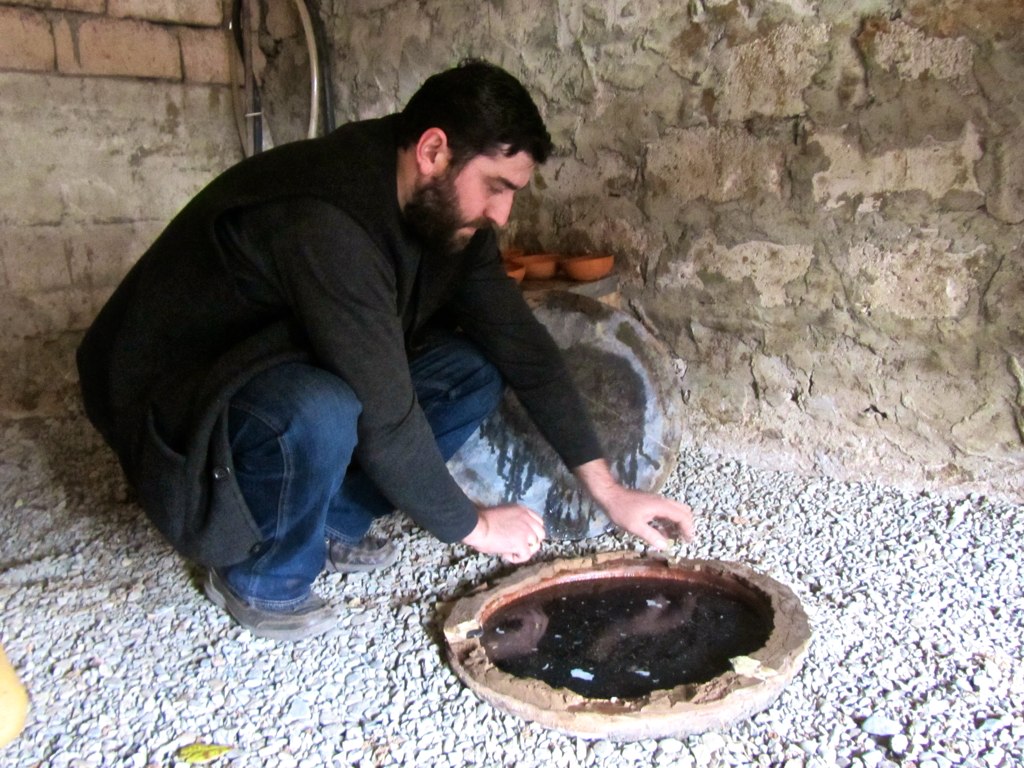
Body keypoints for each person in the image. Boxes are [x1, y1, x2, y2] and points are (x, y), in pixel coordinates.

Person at [76, 60, 695, 641]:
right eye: (496, 187)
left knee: (472, 368)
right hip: (180, 403)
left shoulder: (444, 213)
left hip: (276, 361)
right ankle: (260, 573)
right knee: (323, 407)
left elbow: (524, 350)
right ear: (433, 151)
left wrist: (610, 492)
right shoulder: (324, 218)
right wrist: (475, 526)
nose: (502, 214)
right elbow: (385, 412)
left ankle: (328, 521)